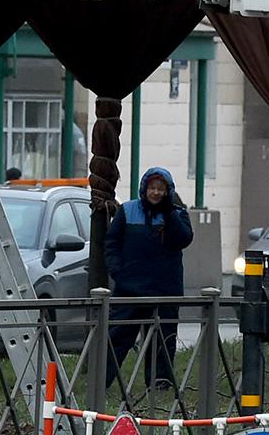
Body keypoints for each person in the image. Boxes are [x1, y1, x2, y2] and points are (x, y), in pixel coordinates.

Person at [104, 167, 192, 390]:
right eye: (152, 188)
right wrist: (118, 272)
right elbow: (112, 243)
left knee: (163, 341)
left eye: (161, 189)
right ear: (144, 189)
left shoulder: (177, 213)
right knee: (117, 339)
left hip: (165, 292)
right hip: (129, 290)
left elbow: (183, 239)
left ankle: (159, 386)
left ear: (168, 191)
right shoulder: (127, 211)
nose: (155, 193)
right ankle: (101, 383)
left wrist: (170, 213)